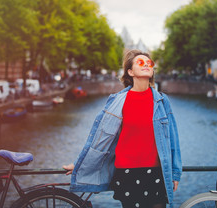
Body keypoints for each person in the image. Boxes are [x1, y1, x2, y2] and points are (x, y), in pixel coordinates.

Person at [63, 49, 182, 208]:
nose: (146, 65)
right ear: (130, 71)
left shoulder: (161, 101)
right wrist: (80, 164)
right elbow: (99, 139)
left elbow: (172, 138)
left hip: (156, 172)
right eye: (140, 62)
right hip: (127, 172)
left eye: (149, 63)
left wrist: (174, 172)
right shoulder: (117, 101)